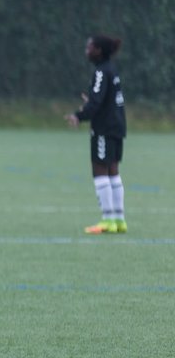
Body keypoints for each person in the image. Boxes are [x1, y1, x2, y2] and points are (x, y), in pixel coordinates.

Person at [66, 34, 127, 234]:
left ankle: (107, 220)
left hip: (104, 129)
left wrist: (79, 115)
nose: (87, 51)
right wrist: (92, 101)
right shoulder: (112, 70)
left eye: (89, 47)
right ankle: (119, 220)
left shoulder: (101, 72)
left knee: (100, 170)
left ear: (98, 50)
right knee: (113, 172)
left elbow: (96, 103)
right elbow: (103, 99)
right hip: (117, 126)